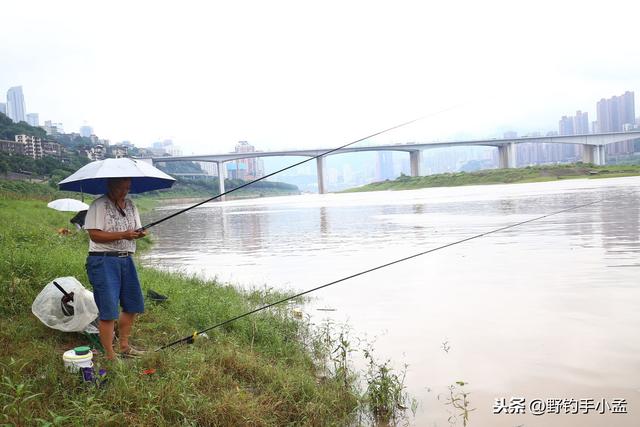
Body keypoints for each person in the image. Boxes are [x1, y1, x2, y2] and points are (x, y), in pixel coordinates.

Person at [84, 177, 147, 360]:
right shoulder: (99, 205)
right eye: (121, 188)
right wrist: (124, 234)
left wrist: (139, 233)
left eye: (127, 188)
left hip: (126, 259)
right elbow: (95, 235)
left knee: (132, 304)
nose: (124, 192)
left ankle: (125, 346)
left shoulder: (130, 205)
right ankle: (110, 356)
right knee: (108, 310)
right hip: (103, 260)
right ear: (111, 185)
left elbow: (137, 230)